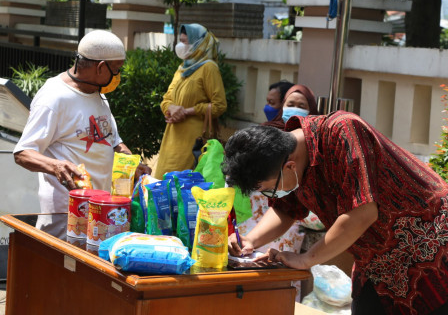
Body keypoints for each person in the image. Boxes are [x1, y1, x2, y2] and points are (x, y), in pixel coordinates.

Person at [223, 111, 448, 315]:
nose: (273, 194)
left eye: (269, 188)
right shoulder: (288, 161)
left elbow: (362, 213)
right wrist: (250, 239)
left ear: (290, 166)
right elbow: (286, 209)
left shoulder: (345, 130)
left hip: (430, 246)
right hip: (378, 263)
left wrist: (305, 259)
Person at [13, 30, 151, 214]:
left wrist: (132, 165)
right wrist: (56, 166)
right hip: (65, 213)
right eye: (116, 69)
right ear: (101, 67)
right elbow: (23, 153)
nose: (118, 76)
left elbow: (113, 142)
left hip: (101, 209)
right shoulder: (54, 97)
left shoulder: (97, 93)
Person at [154, 23, 227, 179]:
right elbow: (167, 97)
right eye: (180, 41)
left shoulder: (209, 68)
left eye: (186, 42)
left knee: (182, 187)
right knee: (162, 184)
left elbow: (219, 105)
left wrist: (187, 111)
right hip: (172, 138)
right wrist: (171, 108)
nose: (181, 45)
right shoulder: (182, 68)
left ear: (199, 44)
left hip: (194, 141)